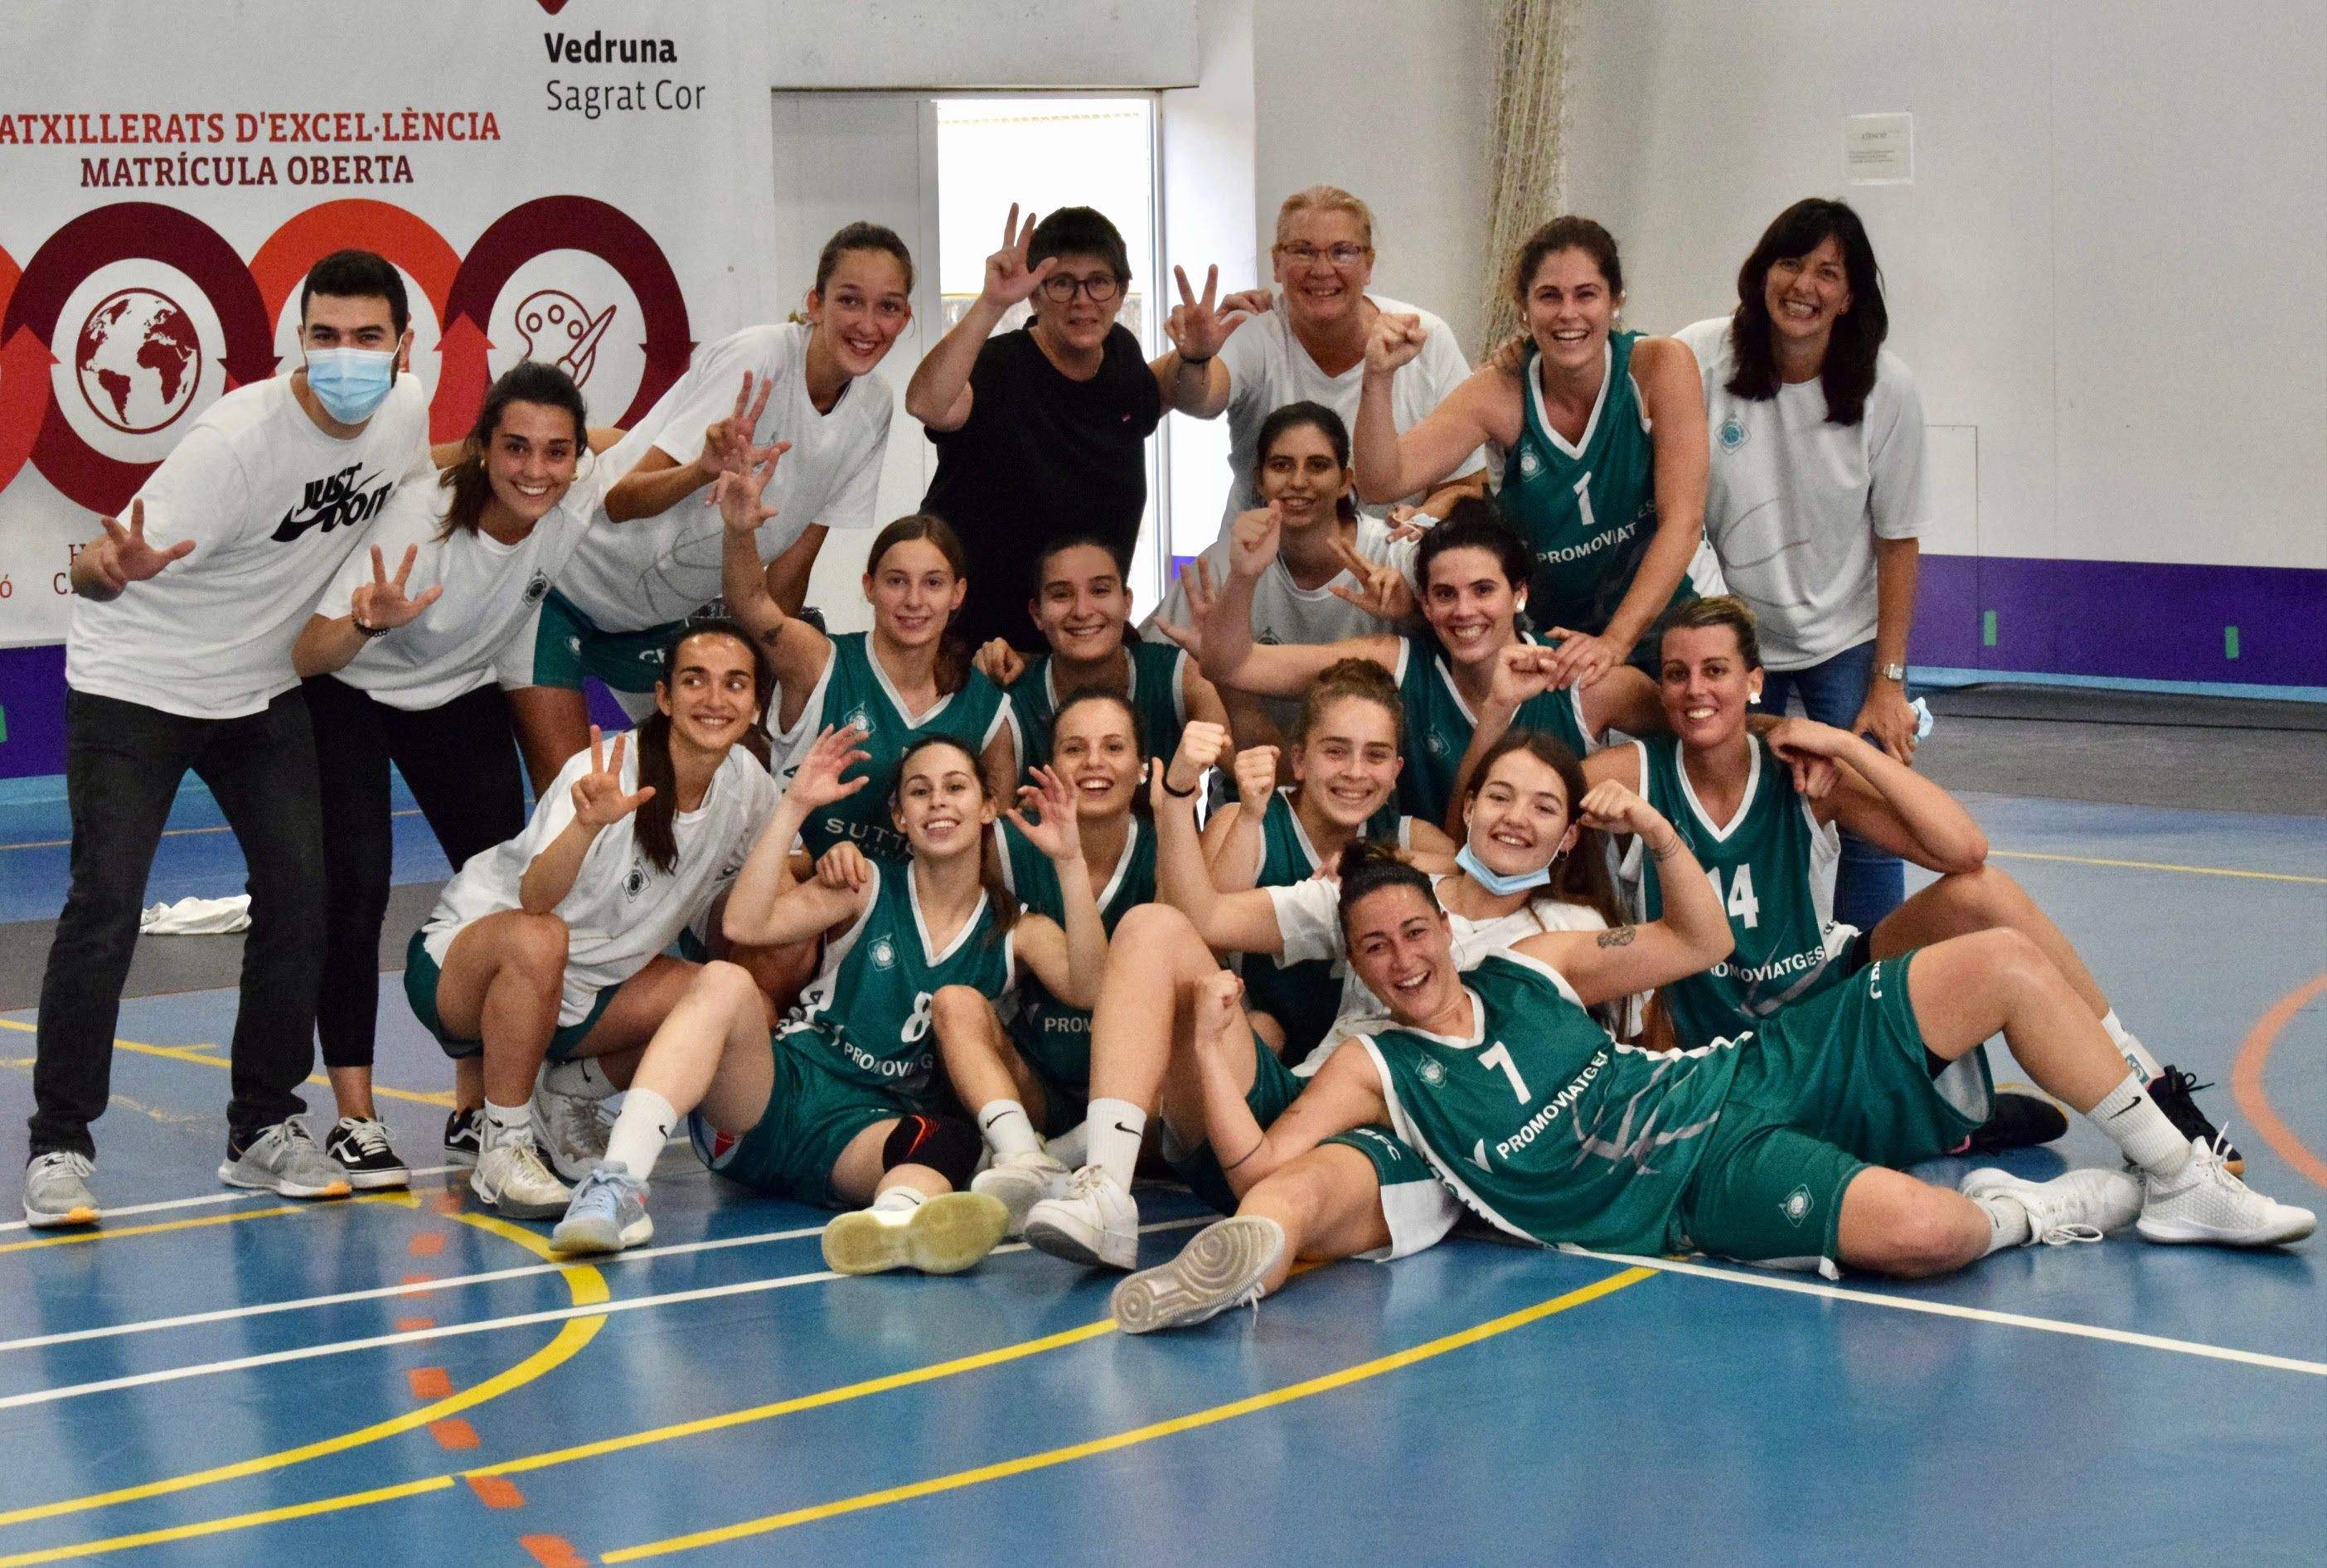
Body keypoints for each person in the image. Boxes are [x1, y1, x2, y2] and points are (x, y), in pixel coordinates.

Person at [1108, 830, 2314, 1333]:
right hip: (1698, 1185)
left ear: (1441, 923)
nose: (1402, 960)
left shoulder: (1530, 963)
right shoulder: (1380, 1065)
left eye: (1414, 933)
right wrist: (1212, 1050)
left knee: (1994, 957)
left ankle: (2174, 1173)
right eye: (1372, 949)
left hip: (1743, 1068)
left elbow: (1693, 942)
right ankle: (2047, 1209)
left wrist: (1651, 828)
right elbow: (1262, 1168)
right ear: (1356, 965)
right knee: (1931, 1233)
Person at [22, 249, 433, 1227]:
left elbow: (421, 473)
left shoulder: (408, 411)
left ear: (401, 346)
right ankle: (59, 1146)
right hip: (138, 679)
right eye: (325, 337)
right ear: (299, 341)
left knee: (304, 893)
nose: (346, 356)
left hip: (255, 685)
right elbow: (92, 568)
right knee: (104, 906)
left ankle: (260, 1127)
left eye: (366, 338)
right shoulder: (236, 444)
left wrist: (370, 618)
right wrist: (105, 570)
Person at [1589, 595, 2242, 1163]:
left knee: (1980, 895)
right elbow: (1504, 804)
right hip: (1722, 1040)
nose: (1695, 689)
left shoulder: (1805, 775)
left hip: (1828, 999)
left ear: (1753, 679)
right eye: (1676, 675)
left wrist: (1845, 746)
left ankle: (2147, 1088)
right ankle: (1941, 1119)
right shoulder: (1630, 774)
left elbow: (1964, 849)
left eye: (1715, 671)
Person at [1017, 719, 1615, 1269]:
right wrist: (1175, 797)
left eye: (1542, 806)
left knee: (1290, 1204)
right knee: (1152, 926)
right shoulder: (1383, 885)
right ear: (1471, 806)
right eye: (1500, 796)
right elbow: (1205, 916)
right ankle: (1104, 1196)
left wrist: (1650, 829)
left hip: (1394, 1137)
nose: (1515, 817)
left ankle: (1223, 1262)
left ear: (1567, 835)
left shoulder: (1568, 930)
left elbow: (1690, 949)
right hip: (1291, 1099)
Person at [550, 728, 1106, 1275]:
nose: (937, 800)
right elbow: (745, 922)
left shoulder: (1015, 926)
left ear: (988, 806)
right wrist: (793, 807)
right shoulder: (862, 884)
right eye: (919, 790)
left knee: (944, 1146)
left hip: (865, 1133)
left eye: (956, 787)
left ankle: (890, 1225)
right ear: (898, 816)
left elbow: (1089, 988)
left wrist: (1069, 861)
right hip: (773, 1096)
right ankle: (617, 1186)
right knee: (722, 981)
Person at [291, 362, 613, 1185]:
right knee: (356, 885)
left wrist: (706, 462)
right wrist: (366, 619)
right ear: (479, 447)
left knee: (501, 880)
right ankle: (356, 1117)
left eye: (555, 452)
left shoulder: (568, 498)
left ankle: (476, 1107)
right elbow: (306, 650)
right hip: (350, 687)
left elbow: (631, 453)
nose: (534, 470)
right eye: (514, 448)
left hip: (457, 689)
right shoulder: (417, 518)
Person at [504, 222, 914, 788]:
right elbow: (619, 502)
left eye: (887, 307)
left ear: (905, 319)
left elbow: (790, 573)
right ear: (815, 304)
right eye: (849, 301)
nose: (867, 325)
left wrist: (767, 689)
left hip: (654, 621)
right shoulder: (762, 357)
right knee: (573, 809)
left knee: (726, 795)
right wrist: (700, 470)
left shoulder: (873, 408)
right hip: (560, 585)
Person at [405, 620, 781, 1217]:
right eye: (695, 681)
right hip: (472, 972)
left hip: (588, 996)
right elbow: (533, 901)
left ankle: (568, 1094)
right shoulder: (604, 772)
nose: (715, 699)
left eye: (734, 684)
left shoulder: (746, 784)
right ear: (663, 697)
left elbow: (782, 869)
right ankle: (502, 1146)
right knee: (541, 938)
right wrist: (586, 825)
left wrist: (830, 859)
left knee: (738, 1006)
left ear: (756, 703)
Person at [1677, 197, 1927, 931]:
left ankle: (1869, 990)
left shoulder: (1887, 389)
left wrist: (1888, 682)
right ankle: (1737, 973)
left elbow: (1899, 540)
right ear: (1761, 274)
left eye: (1827, 272)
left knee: (1870, 825)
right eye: (1790, 263)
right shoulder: (1698, 355)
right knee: (1725, 811)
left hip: (1840, 639)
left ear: (1850, 296)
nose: (1804, 286)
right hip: (1731, 636)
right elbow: (1602, 363)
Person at [1351, 217, 1712, 689]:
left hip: (1673, 618)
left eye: (1586, 294)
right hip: (1559, 635)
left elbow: (1682, 522)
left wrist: (1616, 642)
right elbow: (1382, 480)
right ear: (1524, 309)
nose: (1568, 313)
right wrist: (1377, 376)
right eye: (1549, 296)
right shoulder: (1500, 390)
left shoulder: (1660, 366)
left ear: (1615, 300)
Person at [1167, 501, 1661, 832]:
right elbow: (1236, 665)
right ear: (1424, 604)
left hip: (1558, 906)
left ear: (1521, 594)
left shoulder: (1584, 682)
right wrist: (1246, 576)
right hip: (1429, 895)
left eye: (1484, 590)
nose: (1464, 611)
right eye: (1445, 594)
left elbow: (1694, 737)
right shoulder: (1398, 662)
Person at [912, 689, 1157, 1231]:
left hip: (1146, 1105)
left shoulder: (1169, 850)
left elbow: (1099, 988)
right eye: (1074, 749)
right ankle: (1025, 1158)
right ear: (1050, 765)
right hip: (1038, 1085)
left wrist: (1067, 861)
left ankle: (1062, 1160)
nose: (1093, 763)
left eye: (1113, 747)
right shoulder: (1002, 843)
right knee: (954, 1003)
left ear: (1141, 766)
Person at [716, 452, 1013, 860]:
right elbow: (750, 602)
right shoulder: (819, 661)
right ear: (869, 586)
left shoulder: (987, 709)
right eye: (896, 581)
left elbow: (994, 846)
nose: (913, 600)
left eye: (933, 583)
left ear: (957, 594)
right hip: (796, 893)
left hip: (912, 913)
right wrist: (737, 530)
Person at [905, 205, 1166, 651]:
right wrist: (991, 304)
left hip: (1080, 632)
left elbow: (1175, 393)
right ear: (1036, 294)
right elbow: (926, 403)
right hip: (980, 642)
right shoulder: (997, 365)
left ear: (1121, 292)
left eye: (1099, 282)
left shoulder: (1122, 354)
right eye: (1062, 283)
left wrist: (1198, 354)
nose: (1082, 301)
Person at [1155, 186, 1485, 531]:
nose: (1322, 269)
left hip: (1387, 570)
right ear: (1277, 264)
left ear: (1368, 265)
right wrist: (1194, 358)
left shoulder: (1424, 338)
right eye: (1303, 251)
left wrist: (1417, 525)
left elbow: (1467, 482)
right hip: (1260, 568)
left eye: (1342, 252)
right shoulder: (1255, 333)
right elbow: (1205, 399)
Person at [1200, 661, 1456, 1062]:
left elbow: (1475, 872)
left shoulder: (1409, 835)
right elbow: (1208, 932)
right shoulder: (1249, 819)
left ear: (1395, 772)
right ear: (1299, 760)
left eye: (1376, 755)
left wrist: (1370, 858)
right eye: (1336, 751)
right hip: (1258, 1055)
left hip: (1366, 1061)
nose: (1355, 772)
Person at [1142, 402, 1403, 746]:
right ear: (1259, 481)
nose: (1297, 482)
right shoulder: (1226, 562)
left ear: (1345, 482)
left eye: (1318, 466)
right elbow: (1150, 666)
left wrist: (1409, 612)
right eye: (1281, 466)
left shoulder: (1390, 554)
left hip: (1370, 777)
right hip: (1252, 771)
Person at [977, 533, 1228, 777]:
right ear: (1037, 614)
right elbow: (992, 815)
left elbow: (1249, 767)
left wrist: (1229, 668)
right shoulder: (1010, 694)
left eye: (1099, 590)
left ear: (1127, 603)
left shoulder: (1177, 674)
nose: (1083, 611)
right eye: (1061, 594)